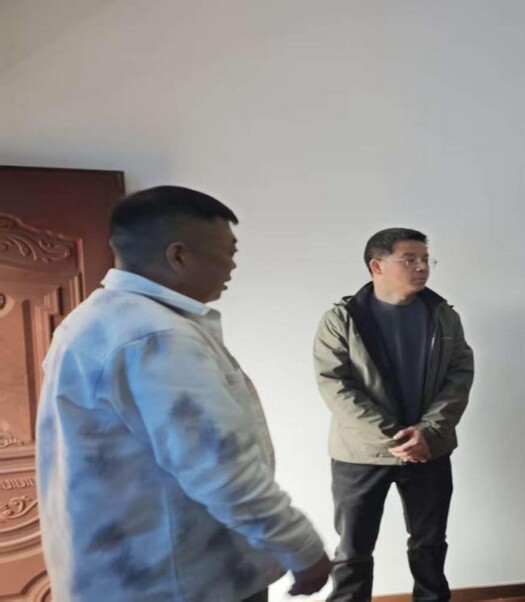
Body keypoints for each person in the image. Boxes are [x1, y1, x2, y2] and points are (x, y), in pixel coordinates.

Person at [36, 186, 332, 602]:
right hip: (180, 580)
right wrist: (301, 548)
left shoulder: (94, 319)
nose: (233, 264)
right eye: (229, 251)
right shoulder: (156, 336)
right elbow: (219, 466)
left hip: (120, 572)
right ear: (178, 256)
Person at [313, 227, 473, 602]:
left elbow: (460, 374)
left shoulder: (443, 315)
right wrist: (397, 437)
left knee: (430, 544)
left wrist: (428, 432)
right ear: (377, 265)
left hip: (429, 449)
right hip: (360, 454)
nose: (422, 267)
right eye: (410, 259)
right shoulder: (342, 319)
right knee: (353, 550)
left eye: (426, 259)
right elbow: (335, 385)